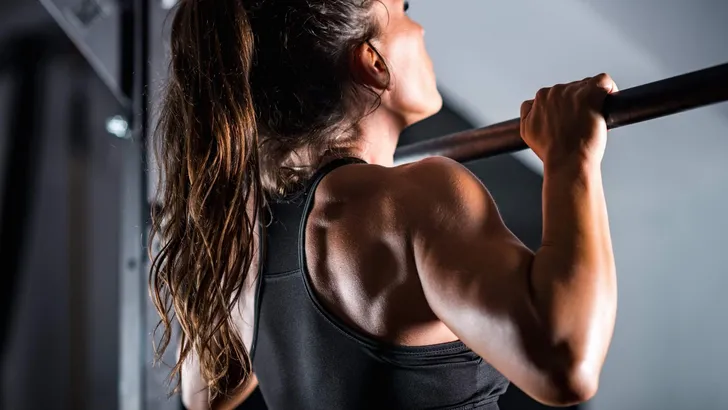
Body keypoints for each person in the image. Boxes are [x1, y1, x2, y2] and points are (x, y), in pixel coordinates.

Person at [149, 0, 618, 409]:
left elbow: (205, 393)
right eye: (404, 10)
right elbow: (567, 362)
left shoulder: (250, 241)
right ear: (373, 62)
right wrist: (570, 155)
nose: (421, 29)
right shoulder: (416, 197)